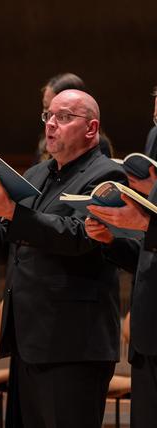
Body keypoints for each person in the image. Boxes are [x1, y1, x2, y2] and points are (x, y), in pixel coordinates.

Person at [0, 89, 124, 428]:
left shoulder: (107, 176)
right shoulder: (36, 175)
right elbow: (13, 250)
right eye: (48, 115)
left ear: (91, 128)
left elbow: (80, 237)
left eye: (63, 117)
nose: (51, 124)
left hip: (73, 343)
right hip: (29, 340)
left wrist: (10, 213)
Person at [84, 86, 157, 427]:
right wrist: (111, 240)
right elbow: (146, 258)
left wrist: (145, 222)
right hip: (148, 334)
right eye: (156, 119)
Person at [35, 73, 112, 161]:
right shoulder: (46, 141)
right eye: (46, 107)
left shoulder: (97, 145)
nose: (50, 122)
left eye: (62, 115)